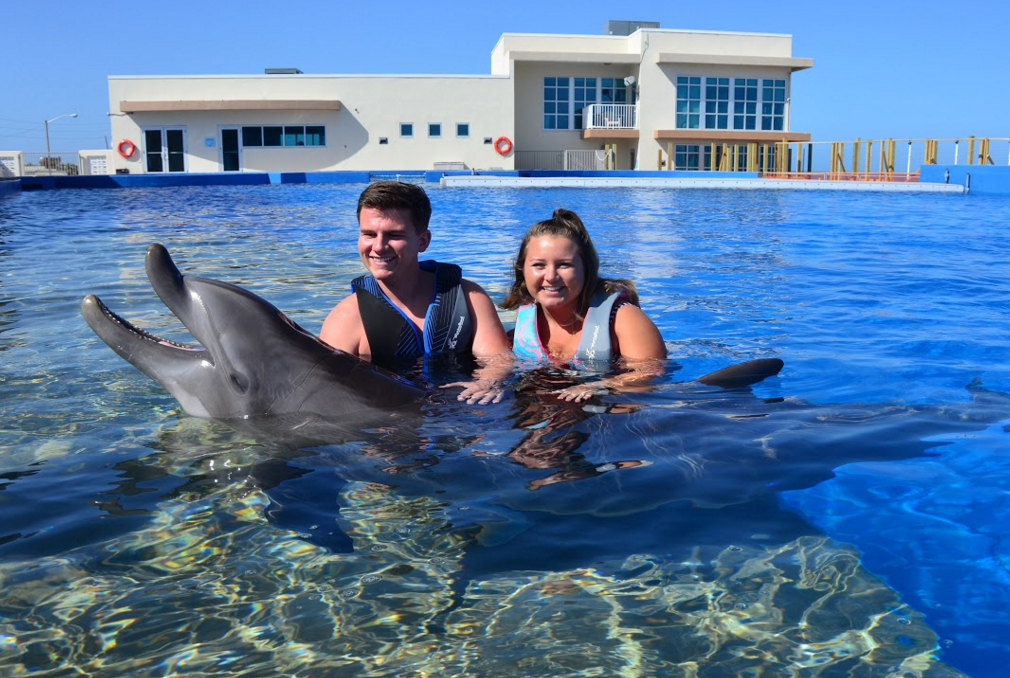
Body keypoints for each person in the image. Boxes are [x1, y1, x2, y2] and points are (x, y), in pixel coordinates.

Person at [320, 181, 511, 401]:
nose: (379, 246)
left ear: (422, 241)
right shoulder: (345, 319)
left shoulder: (468, 297)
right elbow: (330, 391)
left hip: (459, 415)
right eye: (369, 234)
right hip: (389, 426)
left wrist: (486, 383)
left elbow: (499, 360)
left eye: (394, 235)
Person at [500, 208, 667, 401]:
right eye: (539, 265)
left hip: (607, 412)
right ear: (522, 271)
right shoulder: (519, 324)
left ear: (586, 269)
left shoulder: (623, 318)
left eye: (564, 265)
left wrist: (601, 386)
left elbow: (650, 377)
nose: (551, 277)